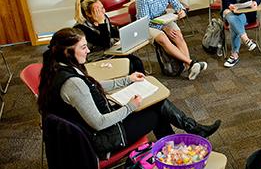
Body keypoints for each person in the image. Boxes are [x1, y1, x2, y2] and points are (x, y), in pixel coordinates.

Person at [37, 28, 221, 160]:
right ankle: (179, 150)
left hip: (95, 129)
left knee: (157, 104)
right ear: (67, 52)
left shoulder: (59, 68)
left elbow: (92, 85)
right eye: (83, 47)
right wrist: (130, 107)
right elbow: (99, 123)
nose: (88, 51)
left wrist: (127, 79)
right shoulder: (72, 83)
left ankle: (184, 141)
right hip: (101, 140)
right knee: (157, 112)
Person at [136, 0, 207, 80]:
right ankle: (190, 63)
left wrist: (181, 10)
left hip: (163, 19)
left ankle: (190, 67)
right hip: (147, 25)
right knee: (163, 38)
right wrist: (163, 28)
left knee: (178, 35)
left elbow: (175, 2)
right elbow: (145, 21)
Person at [74, 0, 145, 74]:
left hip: (110, 52)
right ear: (88, 14)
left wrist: (129, 34)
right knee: (130, 65)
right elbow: (105, 43)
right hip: (97, 59)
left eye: (102, 8)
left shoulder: (104, 17)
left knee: (136, 61)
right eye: (98, 10)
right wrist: (101, 23)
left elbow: (113, 32)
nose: (103, 12)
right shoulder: (81, 28)